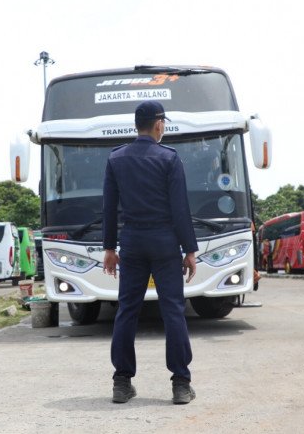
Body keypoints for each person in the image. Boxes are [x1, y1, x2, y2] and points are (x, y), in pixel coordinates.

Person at [102, 100, 198, 405]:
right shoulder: (169, 158)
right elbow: (180, 209)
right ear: (158, 124)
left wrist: (109, 248)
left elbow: (108, 208)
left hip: (131, 242)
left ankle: (121, 382)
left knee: (127, 310)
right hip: (164, 242)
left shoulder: (116, 159)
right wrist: (190, 250)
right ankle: (180, 384)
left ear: (136, 125)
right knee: (173, 310)